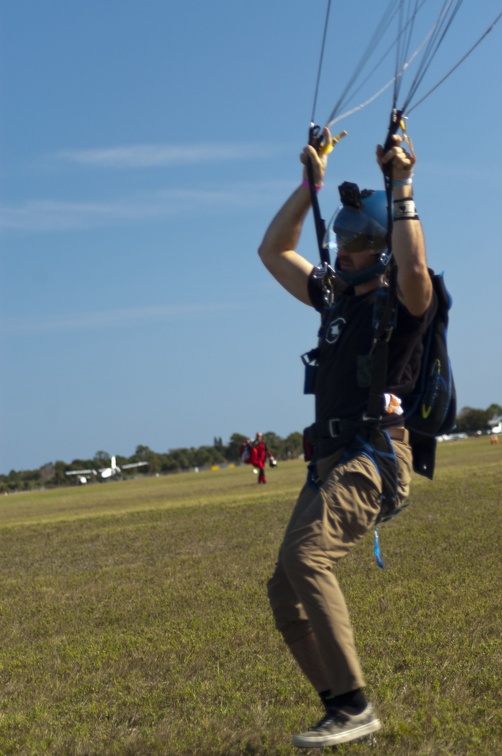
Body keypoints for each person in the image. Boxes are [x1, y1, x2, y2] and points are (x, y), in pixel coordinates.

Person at [258, 128, 436, 748]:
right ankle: (337, 705)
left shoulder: (406, 301)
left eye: (366, 239)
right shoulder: (333, 298)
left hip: (375, 455)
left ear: (384, 242)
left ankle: (358, 706)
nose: (352, 250)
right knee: (285, 587)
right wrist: (312, 186)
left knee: (308, 558)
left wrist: (400, 183)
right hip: (330, 459)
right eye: (347, 239)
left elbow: (414, 265)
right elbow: (274, 250)